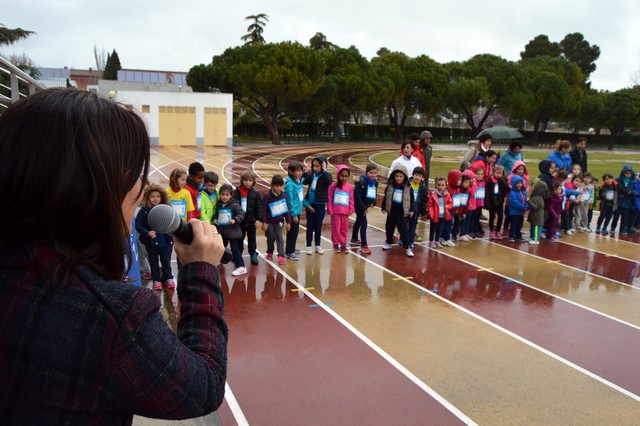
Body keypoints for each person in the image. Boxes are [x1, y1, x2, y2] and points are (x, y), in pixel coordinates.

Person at [0, 88, 227, 423]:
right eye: (131, 171)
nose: (140, 185)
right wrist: (201, 271)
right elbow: (203, 387)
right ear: (90, 188)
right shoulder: (113, 316)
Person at [135, 184, 175, 290]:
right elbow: (138, 225)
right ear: (147, 197)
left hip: (165, 242)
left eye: (158, 196)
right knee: (153, 262)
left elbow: (173, 222)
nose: (155, 199)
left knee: (166, 261)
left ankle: (168, 277)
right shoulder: (144, 211)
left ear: (162, 197)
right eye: (152, 196)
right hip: (151, 242)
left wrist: (170, 232)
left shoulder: (167, 209)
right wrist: (147, 232)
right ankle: (156, 280)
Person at [381, 165, 415, 257]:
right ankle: (388, 242)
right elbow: (386, 196)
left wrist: (412, 209)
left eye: (401, 176)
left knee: (403, 230)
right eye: (396, 176)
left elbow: (412, 199)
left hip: (402, 212)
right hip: (392, 210)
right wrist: (383, 207)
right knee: (389, 227)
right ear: (393, 176)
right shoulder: (390, 185)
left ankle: (407, 247)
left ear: (404, 177)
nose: (398, 178)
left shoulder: (408, 187)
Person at [303, 155, 333, 255]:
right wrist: (307, 172)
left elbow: (329, 182)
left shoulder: (325, 175)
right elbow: (304, 181)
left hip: (319, 204)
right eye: (313, 166)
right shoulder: (312, 175)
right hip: (310, 203)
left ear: (323, 166)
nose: (315, 168)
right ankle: (308, 245)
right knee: (310, 225)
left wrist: (324, 170)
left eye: (317, 166)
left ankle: (317, 245)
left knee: (318, 225)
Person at [214, 183, 246, 276]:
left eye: (227, 195)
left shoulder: (234, 205)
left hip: (233, 232)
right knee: (221, 248)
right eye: (223, 194)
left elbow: (241, 214)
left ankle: (241, 266)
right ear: (220, 195)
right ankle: (219, 261)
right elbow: (217, 213)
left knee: (235, 249)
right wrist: (215, 219)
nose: (224, 197)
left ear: (231, 196)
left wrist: (234, 220)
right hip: (223, 231)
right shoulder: (219, 204)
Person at [233, 170, 263, 265]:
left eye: (250, 180)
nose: (247, 182)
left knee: (252, 239)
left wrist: (258, 219)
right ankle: (238, 254)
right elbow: (233, 206)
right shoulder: (236, 192)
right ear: (242, 181)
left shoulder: (256, 194)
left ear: (253, 181)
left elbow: (259, 207)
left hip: (251, 221)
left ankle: (253, 253)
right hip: (240, 221)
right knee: (239, 239)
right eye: (245, 180)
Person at [262, 175, 292, 264]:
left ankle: (281, 255)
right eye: (276, 186)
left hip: (279, 221)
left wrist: (288, 222)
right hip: (269, 221)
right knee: (270, 237)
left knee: (279, 237)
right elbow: (264, 210)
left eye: (280, 186)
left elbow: (287, 210)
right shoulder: (267, 196)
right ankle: (270, 252)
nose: (278, 188)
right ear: (272, 185)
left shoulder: (284, 196)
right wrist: (264, 222)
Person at [352, 163, 379, 255]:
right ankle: (364, 245)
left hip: (365, 204)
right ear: (367, 172)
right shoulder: (361, 182)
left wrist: (373, 202)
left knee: (359, 221)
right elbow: (357, 197)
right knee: (364, 223)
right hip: (359, 205)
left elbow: (374, 193)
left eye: (375, 173)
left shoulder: (375, 182)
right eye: (371, 173)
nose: (373, 175)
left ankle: (354, 238)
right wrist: (363, 207)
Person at [327, 165, 355, 253]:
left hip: (345, 213)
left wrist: (351, 209)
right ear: (338, 175)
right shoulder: (333, 186)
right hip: (335, 212)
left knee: (344, 229)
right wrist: (330, 209)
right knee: (336, 229)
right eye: (342, 176)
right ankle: (335, 244)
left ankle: (343, 244)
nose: (344, 178)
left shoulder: (349, 187)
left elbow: (351, 200)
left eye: (346, 176)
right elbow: (329, 198)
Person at [284, 160, 305, 260]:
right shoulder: (290, 184)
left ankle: (291, 248)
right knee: (293, 232)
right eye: (297, 171)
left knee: (294, 232)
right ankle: (289, 252)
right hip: (294, 212)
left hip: (298, 210)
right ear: (291, 172)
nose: (300, 173)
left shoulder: (297, 181)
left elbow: (302, 181)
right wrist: (293, 214)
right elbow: (289, 201)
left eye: (301, 171)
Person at [426, 177, 453, 249]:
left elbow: (451, 203)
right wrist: (431, 213)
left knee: (439, 228)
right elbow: (430, 205)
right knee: (433, 228)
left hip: (442, 215)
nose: (440, 187)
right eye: (439, 185)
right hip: (435, 215)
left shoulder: (447, 194)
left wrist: (448, 206)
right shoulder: (433, 194)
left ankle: (437, 240)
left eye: (442, 185)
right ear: (436, 185)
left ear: (445, 186)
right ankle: (431, 241)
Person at [485, 165, 510, 240]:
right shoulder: (490, 181)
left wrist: (501, 180)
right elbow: (487, 193)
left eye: (500, 173)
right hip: (492, 202)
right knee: (492, 217)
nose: (498, 175)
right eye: (497, 173)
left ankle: (498, 231)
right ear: (493, 172)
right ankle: (491, 230)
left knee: (500, 217)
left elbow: (507, 189)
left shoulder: (503, 181)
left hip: (499, 202)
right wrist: (487, 203)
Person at [407, 166, 428, 246]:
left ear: (422, 177)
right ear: (413, 175)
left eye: (420, 176)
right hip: (406, 209)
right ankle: (403, 239)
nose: (417, 177)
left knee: (412, 226)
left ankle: (411, 241)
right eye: (416, 175)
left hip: (416, 211)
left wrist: (423, 212)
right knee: (404, 226)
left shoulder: (422, 187)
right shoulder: (407, 184)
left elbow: (423, 201)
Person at [507, 175, 528, 242]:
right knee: (514, 224)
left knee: (519, 224)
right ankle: (511, 235)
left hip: (521, 212)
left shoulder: (523, 192)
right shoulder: (512, 193)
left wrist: (527, 206)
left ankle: (518, 234)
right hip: (514, 212)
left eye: (520, 183)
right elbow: (514, 202)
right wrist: (523, 207)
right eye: (518, 183)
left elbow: (525, 200)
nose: (519, 185)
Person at [527, 179, 548, 245]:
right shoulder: (536, 196)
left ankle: (536, 239)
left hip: (537, 216)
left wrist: (528, 201)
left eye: (534, 186)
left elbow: (534, 207)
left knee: (536, 227)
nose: (532, 188)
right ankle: (533, 237)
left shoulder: (537, 198)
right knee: (534, 226)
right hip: (536, 215)